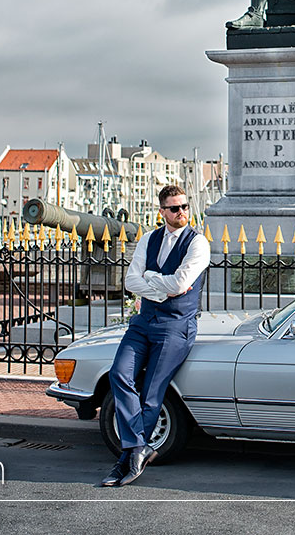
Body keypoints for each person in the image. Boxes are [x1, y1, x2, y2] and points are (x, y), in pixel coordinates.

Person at [99, 185, 210, 487]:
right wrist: (160, 288)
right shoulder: (149, 239)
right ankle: (138, 448)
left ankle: (128, 460)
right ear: (162, 211)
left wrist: (153, 281)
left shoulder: (197, 243)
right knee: (119, 375)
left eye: (185, 206)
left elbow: (181, 284)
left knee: (151, 393)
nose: (182, 213)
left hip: (176, 326)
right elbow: (131, 280)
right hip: (143, 322)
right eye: (174, 208)